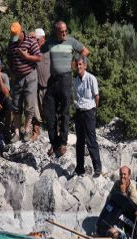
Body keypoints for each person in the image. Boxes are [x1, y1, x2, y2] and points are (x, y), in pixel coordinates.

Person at [43, 21, 89, 157]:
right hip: (52, 80)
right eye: (62, 31)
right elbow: (39, 50)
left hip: (65, 79)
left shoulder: (71, 41)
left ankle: (62, 143)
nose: (64, 33)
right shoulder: (50, 42)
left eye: (66, 31)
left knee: (64, 112)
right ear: (56, 32)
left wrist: (77, 64)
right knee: (50, 113)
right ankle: (54, 143)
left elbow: (85, 51)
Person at [8, 22, 41, 143]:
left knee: (29, 105)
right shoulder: (11, 42)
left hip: (30, 76)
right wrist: (12, 72)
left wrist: (26, 56)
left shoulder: (31, 41)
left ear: (21, 32)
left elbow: (39, 57)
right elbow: (9, 57)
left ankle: (27, 130)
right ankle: (16, 132)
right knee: (16, 106)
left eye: (17, 36)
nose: (16, 39)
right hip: (16, 77)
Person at [73, 56, 102, 177]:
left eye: (80, 64)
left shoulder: (91, 78)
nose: (79, 67)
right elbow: (75, 97)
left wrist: (94, 110)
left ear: (85, 66)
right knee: (79, 142)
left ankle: (97, 167)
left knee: (91, 140)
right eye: (77, 65)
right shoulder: (75, 81)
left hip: (89, 111)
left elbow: (97, 96)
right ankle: (80, 168)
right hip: (79, 112)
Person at [31, 28, 51, 141]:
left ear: (43, 38)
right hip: (37, 86)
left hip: (49, 87)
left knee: (50, 111)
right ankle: (36, 131)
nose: (36, 42)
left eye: (37, 40)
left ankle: (55, 134)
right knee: (36, 110)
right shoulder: (34, 50)